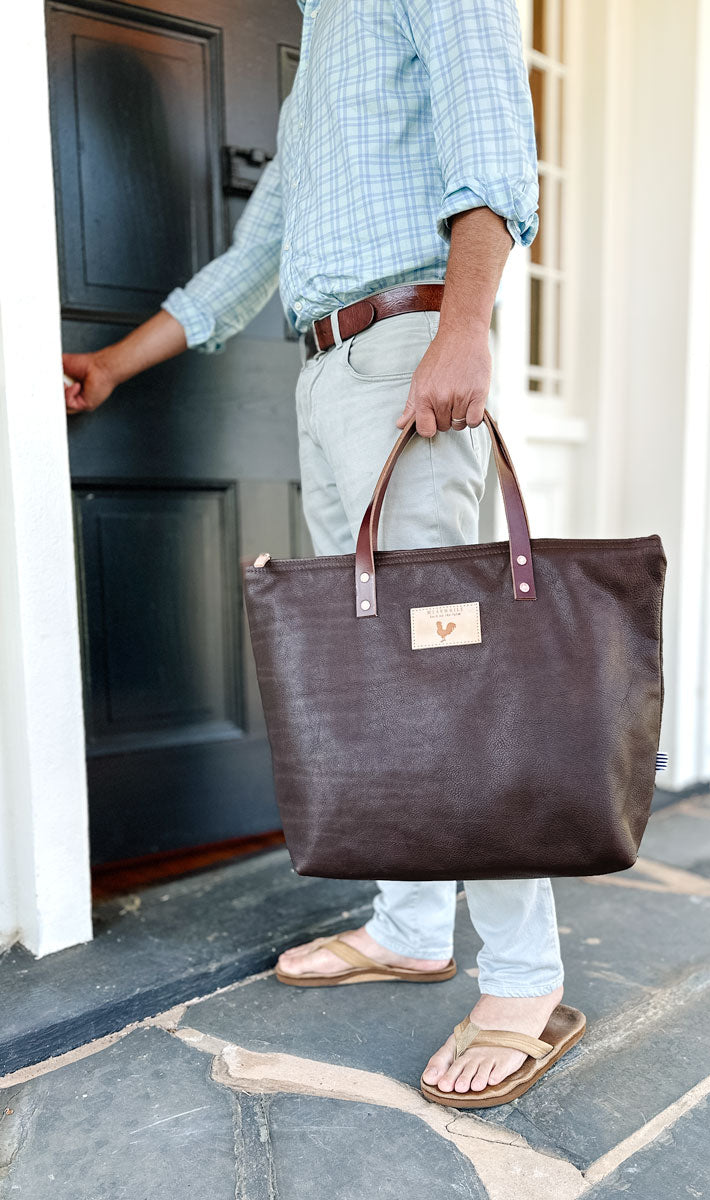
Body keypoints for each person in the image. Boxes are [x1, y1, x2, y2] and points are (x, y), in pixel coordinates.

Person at [64, 0, 579, 1108]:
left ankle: (526, 977)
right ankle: (406, 927)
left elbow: (492, 143)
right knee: (375, 683)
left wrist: (465, 326)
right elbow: (252, 258)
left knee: (443, 684)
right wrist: (115, 363)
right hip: (327, 372)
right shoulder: (320, 49)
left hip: (409, 351)